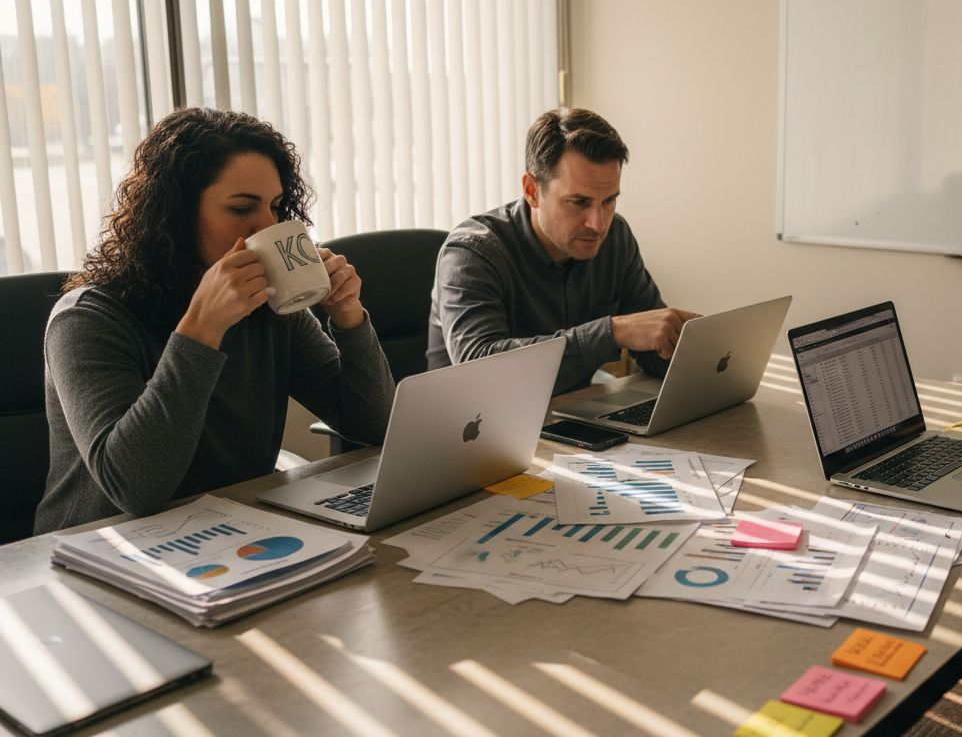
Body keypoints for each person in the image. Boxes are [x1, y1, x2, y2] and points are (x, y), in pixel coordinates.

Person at [35, 108, 395, 533]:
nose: (267, 226)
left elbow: (373, 426)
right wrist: (202, 327)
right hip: (99, 550)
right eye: (242, 208)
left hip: (230, 532)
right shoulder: (87, 319)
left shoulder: (271, 308)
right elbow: (136, 490)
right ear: (174, 213)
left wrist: (349, 319)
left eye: (276, 207)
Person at [427, 107, 697, 394]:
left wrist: (697, 353)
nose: (599, 223)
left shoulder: (615, 238)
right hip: (472, 430)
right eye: (579, 202)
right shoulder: (471, 253)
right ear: (532, 191)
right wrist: (613, 333)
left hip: (567, 419)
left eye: (609, 201)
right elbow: (479, 372)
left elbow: (654, 342)